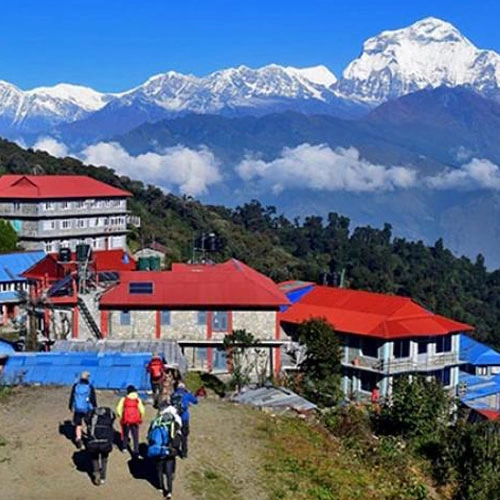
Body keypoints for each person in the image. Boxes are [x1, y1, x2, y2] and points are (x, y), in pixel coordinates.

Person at [147, 405, 182, 499]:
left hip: (159, 450)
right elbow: (178, 438)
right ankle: (169, 491)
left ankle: (161, 487)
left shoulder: (156, 422)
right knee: (169, 472)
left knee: (159, 469)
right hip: (170, 451)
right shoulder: (175, 424)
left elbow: (150, 436)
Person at [85, 406, 116, 486]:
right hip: (105, 441)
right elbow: (113, 420)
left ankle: (96, 471)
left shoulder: (91, 416)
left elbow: (86, 421)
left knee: (94, 458)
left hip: (93, 442)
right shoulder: (108, 417)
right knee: (104, 459)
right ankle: (103, 477)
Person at [68, 371, 97, 449]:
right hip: (87, 408)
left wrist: (70, 406)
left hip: (77, 408)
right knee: (89, 424)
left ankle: (78, 438)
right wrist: (95, 407)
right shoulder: (90, 387)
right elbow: (93, 399)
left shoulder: (76, 386)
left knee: (78, 424)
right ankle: (89, 438)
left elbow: (72, 396)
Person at [170, 382, 198, 459]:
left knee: (175, 434)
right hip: (184, 417)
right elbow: (195, 401)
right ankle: (184, 453)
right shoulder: (186, 394)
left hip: (175, 417)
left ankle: (174, 450)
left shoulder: (173, 395)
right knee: (184, 436)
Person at [116, 384, 145, 456]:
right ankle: (136, 450)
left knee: (125, 434)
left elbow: (118, 409)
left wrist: (121, 416)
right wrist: (140, 416)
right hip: (135, 420)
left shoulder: (124, 399)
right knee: (135, 436)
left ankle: (124, 447)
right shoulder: (137, 399)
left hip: (126, 420)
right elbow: (142, 410)